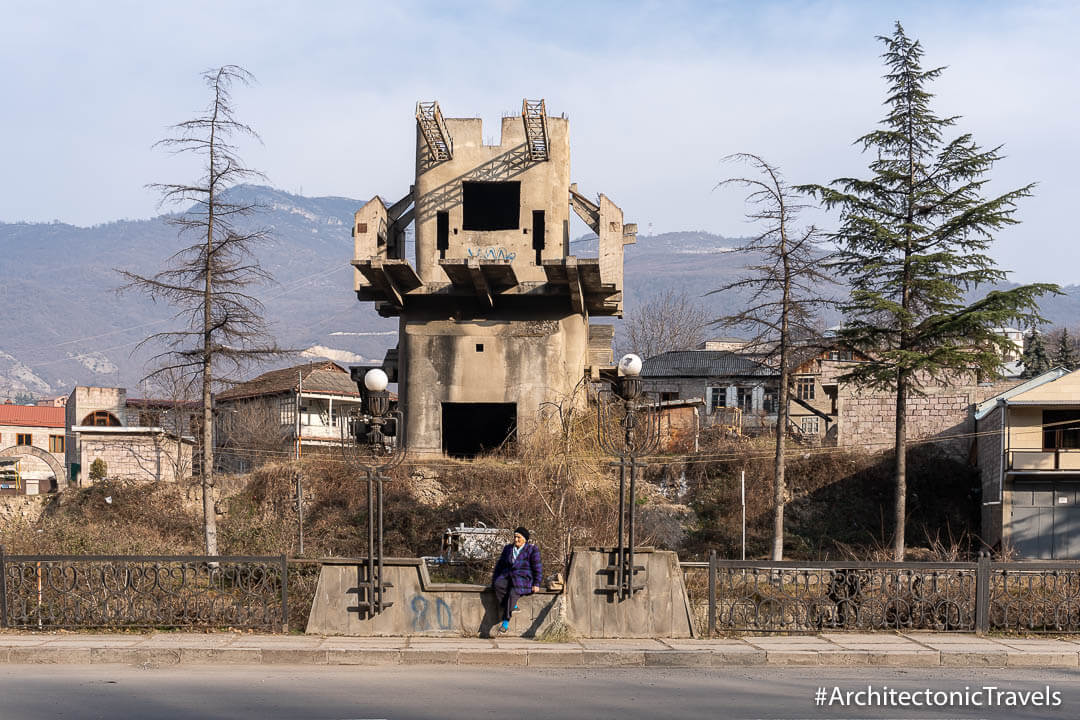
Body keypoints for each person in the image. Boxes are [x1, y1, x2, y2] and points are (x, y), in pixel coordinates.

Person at [490, 526, 542, 634]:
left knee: (513, 593)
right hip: (508, 576)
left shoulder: (532, 549)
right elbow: (499, 565)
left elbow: (537, 567)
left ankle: (505, 622)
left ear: (525, 539)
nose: (516, 539)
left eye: (519, 537)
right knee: (498, 584)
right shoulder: (508, 548)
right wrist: (494, 579)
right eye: (515, 537)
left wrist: (536, 583)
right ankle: (512, 606)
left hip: (523, 579)